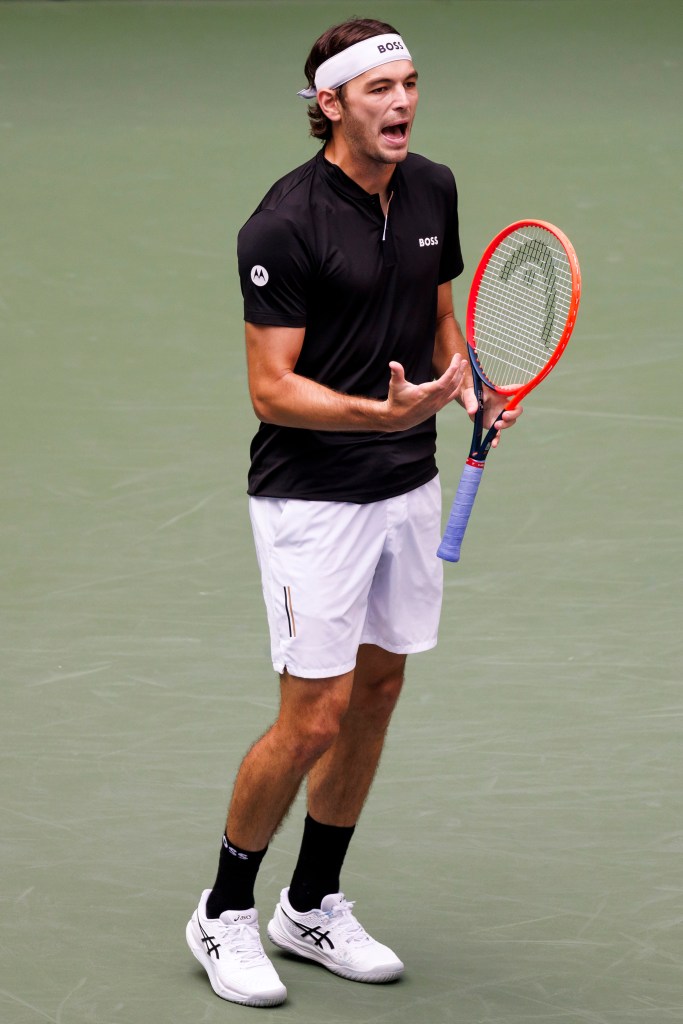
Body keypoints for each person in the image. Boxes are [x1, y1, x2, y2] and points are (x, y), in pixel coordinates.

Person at [186, 17, 521, 1007]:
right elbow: (270, 388)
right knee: (313, 714)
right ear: (327, 105)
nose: (402, 103)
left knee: (375, 695)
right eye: (378, 89)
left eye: (410, 83)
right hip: (310, 496)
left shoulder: (432, 188)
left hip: (404, 484)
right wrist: (377, 411)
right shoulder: (282, 225)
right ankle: (224, 909)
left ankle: (312, 902)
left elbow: (435, 312)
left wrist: (469, 385)